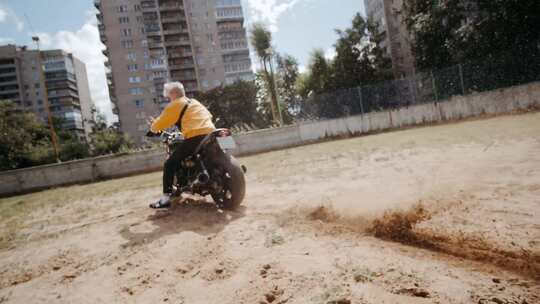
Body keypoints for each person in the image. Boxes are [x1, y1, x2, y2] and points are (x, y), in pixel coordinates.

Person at [147, 81, 216, 209]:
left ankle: (165, 199)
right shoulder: (195, 102)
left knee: (169, 163)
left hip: (196, 136)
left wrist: (153, 128)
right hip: (211, 133)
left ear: (173, 93)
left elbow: (158, 125)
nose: (167, 97)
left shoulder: (175, 104)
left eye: (168, 94)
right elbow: (209, 116)